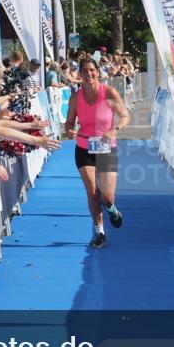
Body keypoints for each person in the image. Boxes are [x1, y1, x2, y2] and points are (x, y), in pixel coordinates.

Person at [64, 57, 130, 249]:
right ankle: (99, 232)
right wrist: (69, 130)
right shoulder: (75, 98)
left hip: (105, 147)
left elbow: (125, 115)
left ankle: (112, 209)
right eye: (85, 71)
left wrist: (114, 130)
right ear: (80, 74)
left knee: (107, 197)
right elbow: (68, 123)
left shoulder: (108, 92)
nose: (89, 74)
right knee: (92, 192)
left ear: (98, 72)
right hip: (84, 147)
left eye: (92, 70)